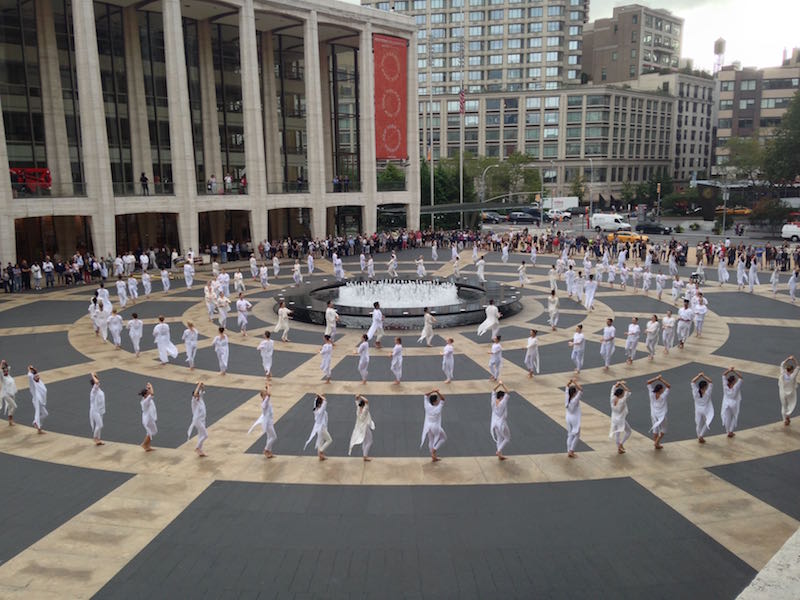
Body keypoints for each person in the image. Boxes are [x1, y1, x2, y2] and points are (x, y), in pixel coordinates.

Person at [248, 383, 277, 458]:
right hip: (267, 422)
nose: (266, 394)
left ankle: (269, 452)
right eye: (265, 394)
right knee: (274, 437)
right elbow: (269, 395)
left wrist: (267, 388)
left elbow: (268, 395)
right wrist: (268, 387)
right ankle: (266, 449)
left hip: (269, 421)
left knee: (269, 437)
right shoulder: (265, 402)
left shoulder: (265, 401)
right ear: (263, 396)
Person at [420, 389, 447, 461]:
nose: (438, 401)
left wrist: (432, 391)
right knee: (443, 438)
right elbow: (443, 399)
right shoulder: (438, 408)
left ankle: (433, 456)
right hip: (436, 426)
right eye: (437, 400)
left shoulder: (427, 406)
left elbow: (425, 395)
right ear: (435, 401)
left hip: (428, 426)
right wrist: (437, 392)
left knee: (431, 440)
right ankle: (434, 450)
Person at [304, 394, 332, 460]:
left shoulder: (315, 409)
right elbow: (325, 401)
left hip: (318, 427)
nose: (322, 404)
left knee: (320, 441)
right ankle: (321, 451)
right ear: (320, 404)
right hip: (321, 428)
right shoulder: (320, 411)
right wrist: (320, 396)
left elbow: (315, 401)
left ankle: (320, 456)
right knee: (329, 440)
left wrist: (318, 397)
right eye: (321, 403)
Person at [647, 374, 671, 449]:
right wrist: (661, 379)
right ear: (660, 390)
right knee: (663, 429)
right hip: (661, 415)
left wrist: (656, 378)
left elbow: (648, 382)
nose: (663, 389)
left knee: (655, 429)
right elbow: (669, 386)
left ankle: (657, 444)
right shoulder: (663, 396)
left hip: (653, 414)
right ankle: (657, 442)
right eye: (662, 389)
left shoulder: (651, 394)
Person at [348, 394, 375, 461]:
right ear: (364, 405)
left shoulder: (358, 409)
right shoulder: (365, 410)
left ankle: (364, 455)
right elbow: (367, 401)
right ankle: (365, 456)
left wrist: (358, 397)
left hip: (360, 427)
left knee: (365, 441)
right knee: (369, 441)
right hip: (365, 428)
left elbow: (357, 401)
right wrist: (360, 396)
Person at [489, 381, 511, 460]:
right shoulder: (503, 402)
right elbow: (508, 393)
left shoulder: (493, 401)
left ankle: (500, 455)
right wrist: (502, 384)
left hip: (494, 424)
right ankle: (498, 451)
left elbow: (493, 391)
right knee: (507, 438)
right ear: (501, 397)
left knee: (499, 438)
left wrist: (499, 384)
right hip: (502, 423)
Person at [691, 372, 714, 443]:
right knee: (707, 422)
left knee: (698, 424)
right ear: (705, 387)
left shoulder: (695, 392)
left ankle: (699, 437)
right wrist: (703, 376)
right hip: (705, 410)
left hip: (698, 410)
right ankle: (701, 436)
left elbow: (692, 382)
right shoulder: (708, 392)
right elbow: (710, 381)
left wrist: (699, 376)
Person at [721, 367, 744, 438]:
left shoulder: (725, 386)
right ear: (733, 381)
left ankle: (728, 431)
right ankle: (731, 431)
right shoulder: (736, 387)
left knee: (727, 418)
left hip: (726, 403)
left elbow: (723, 375)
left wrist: (729, 370)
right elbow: (741, 377)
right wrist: (734, 371)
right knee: (734, 416)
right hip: (734, 403)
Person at [609, 381, 631, 454]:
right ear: (621, 394)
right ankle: (621, 444)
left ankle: (619, 448)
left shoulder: (612, 398)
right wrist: (621, 384)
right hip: (620, 419)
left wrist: (617, 384)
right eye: (623, 394)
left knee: (617, 434)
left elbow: (613, 388)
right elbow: (628, 391)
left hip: (614, 418)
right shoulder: (622, 401)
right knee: (628, 431)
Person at [187, 382, 208, 457]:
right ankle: (197, 447)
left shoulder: (200, 399)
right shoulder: (194, 401)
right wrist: (198, 385)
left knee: (200, 435)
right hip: (197, 420)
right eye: (197, 395)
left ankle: (200, 450)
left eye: (199, 395)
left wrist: (202, 386)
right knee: (205, 435)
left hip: (202, 420)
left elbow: (202, 391)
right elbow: (196, 393)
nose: (198, 395)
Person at [26, 365, 48, 434]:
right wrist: (29, 370)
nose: (37, 377)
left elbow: (35, 372)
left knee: (45, 414)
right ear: (33, 378)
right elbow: (30, 376)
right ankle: (38, 426)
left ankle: (36, 423)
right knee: (37, 412)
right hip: (36, 400)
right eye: (35, 377)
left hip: (41, 401)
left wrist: (33, 369)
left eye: (38, 376)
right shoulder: (33, 384)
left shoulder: (40, 382)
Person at [779, 356, 799, 425]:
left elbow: (782, 365)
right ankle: (788, 414)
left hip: (782, 392)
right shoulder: (792, 376)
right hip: (791, 393)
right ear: (791, 371)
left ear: (787, 369)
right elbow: (798, 367)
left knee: (783, 406)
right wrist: (794, 359)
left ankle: (785, 420)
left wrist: (788, 359)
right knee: (791, 404)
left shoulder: (782, 374)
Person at [565, 379, 582, 458]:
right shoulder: (575, 399)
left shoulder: (567, 397)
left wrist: (570, 382)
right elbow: (581, 389)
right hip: (574, 418)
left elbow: (567, 386)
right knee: (577, 435)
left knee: (570, 434)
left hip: (568, 417)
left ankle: (569, 451)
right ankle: (571, 450)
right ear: (574, 392)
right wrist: (575, 382)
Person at [139, 382, 157, 451]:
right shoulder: (146, 401)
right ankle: (144, 444)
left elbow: (150, 393)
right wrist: (151, 386)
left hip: (148, 418)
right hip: (148, 419)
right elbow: (152, 393)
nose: (149, 392)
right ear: (146, 394)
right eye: (147, 391)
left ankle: (147, 446)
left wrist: (148, 387)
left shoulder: (146, 399)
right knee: (152, 432)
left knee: (150, 432)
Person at [1, 360, 17, 426]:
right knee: (14, 406)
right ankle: (10, 420)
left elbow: (8, 367)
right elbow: (0, 371)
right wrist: (1, 363)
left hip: (12, 392)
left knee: (11, 407)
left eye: (7, 370)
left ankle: (10, 421)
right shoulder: (3, 378)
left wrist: (5, 363)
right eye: (4, 371)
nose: (6, 371)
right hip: (6, 394)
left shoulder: (8, 375)